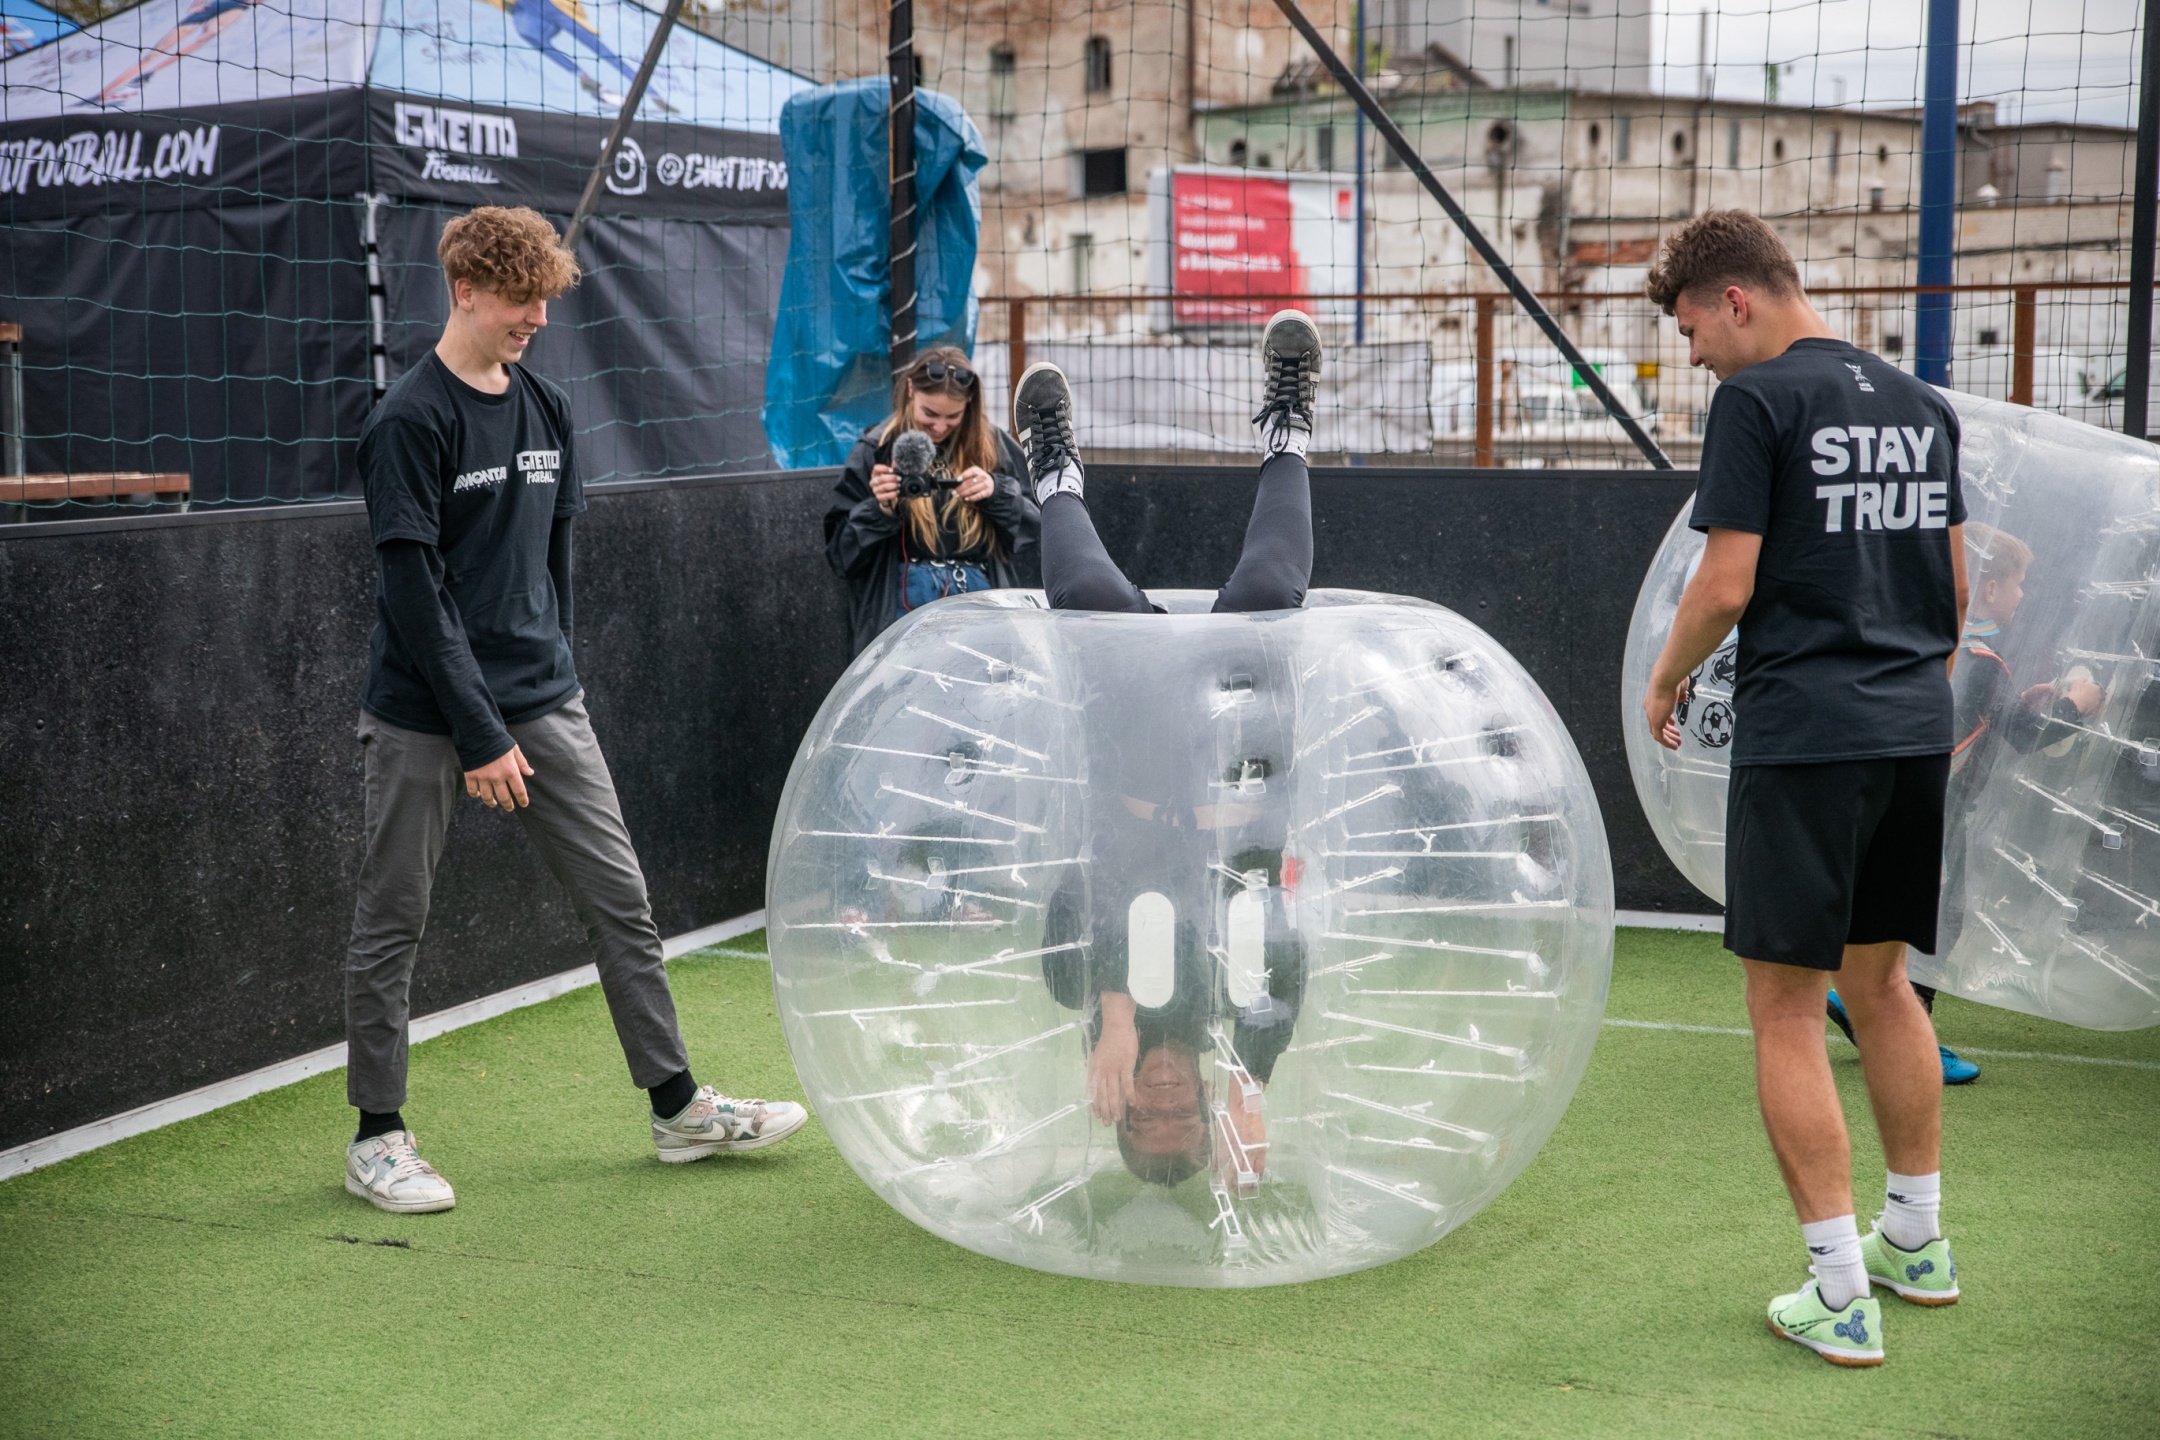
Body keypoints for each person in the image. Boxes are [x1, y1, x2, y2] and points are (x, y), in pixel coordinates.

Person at [343, 206, 805, 1214]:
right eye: (520, 299)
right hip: (425, 713)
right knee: (393, 921)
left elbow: (551, 566)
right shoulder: (408, 421)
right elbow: (415, 599)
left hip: (542, 701)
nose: (538, 319)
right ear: (465, 290)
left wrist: (547, 681)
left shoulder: (547, 407)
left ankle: (677, 1109)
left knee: (621, 902)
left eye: (545, 300)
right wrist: (480, 732)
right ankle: (377, 1137)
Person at [1640, 212, 1968, 1366]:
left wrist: (1665, 680)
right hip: (1911, 732)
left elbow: (1725, 584)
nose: (1693, 357)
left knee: (1786, 1010)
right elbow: (1954, 592)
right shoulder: (1923, 405)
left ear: (1737, 301)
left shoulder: (1756, 402)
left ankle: (1838, 1291)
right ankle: (1916, 1242)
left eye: (1692, 330)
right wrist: (1905, 702)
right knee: (1882, 985)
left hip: (1808, 739)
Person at [1013, 309, 1324, 1186]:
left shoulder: (1073, 986)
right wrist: (1252, 1088)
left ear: (1115, 1106)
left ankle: (1054, 472)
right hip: (1238, 761)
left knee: (1088, 597)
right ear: (1204, 1109)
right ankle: (1290, 429)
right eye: (1182, 1120)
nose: (1161, 1099)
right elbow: (1280, 944)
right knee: (1268, 588)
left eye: (1140, 1118)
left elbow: (1092, 884)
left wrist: (1115, 1010)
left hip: (1141, 754)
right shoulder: (1245, 1023)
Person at [1825, 521, 2103, 1084]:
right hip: (1932, 814)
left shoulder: (1937, 641)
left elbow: (1978, 716)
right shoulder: (1981, 657)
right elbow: (2022, 735)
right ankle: (1906, 1037)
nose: (2024, 594)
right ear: (1989, 589)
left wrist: (2017, 703)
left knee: (1908, 912)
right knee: (1938, 922)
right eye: (2018, 583)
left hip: (1895, 802)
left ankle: (1863, 1003)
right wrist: (2076, 705)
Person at [824, 348, 1040, 656]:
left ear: (969, 404)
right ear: (910, 389)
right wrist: (880, 509)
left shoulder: (992, 445)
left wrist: (996, 491)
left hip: (979, 599)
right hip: (902, 601)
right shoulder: (876, 448)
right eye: (929, 415)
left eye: (953, 417)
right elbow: (840, 556)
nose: (939, 427)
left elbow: (1036, 526)